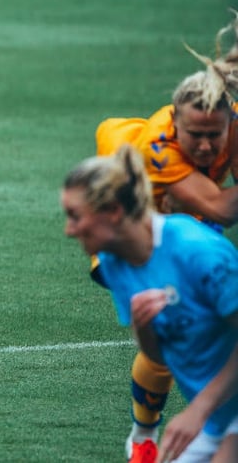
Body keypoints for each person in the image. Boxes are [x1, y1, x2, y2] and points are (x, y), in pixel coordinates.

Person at [91, 13, 238, 462]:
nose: (208, 147)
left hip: (188, 229)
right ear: (176, 122)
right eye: (196, 136)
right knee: (164, 342)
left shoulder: (232, 123)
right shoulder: (158, 147)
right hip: (140, 234)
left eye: (216, 135)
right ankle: (143, 435)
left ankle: (215, 423)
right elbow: (219, 208)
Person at [61, 144, 238, 463]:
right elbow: (159, 356)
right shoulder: (115, 263)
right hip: (217, 420)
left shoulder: (199, 252)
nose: (68, 230)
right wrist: (144, 329)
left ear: (113, 212)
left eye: (75, 216)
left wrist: (197, 411)